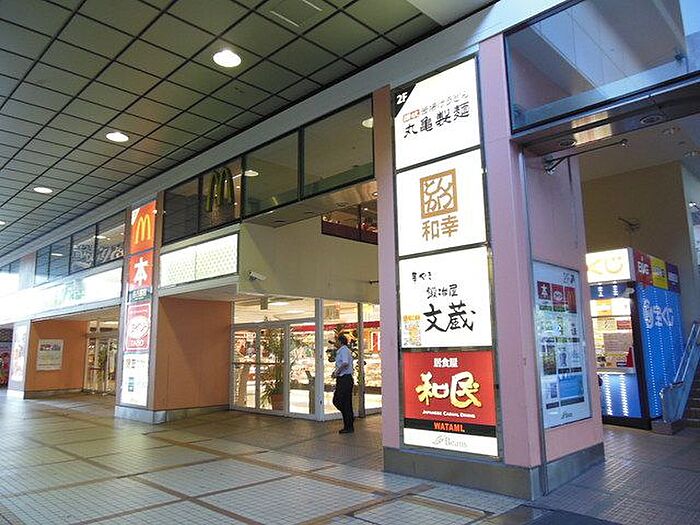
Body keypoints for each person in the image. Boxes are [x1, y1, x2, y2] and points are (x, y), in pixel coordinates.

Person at [332, 334, 354, 434]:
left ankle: (349, 422)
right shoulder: (342, 350)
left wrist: (337, 372)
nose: (335, 343)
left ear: (340, 341)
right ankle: (349, 421)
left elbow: (345, 363)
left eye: (336, 341)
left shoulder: (344, 350)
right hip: (343, 379)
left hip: (345, 379)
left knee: (339, 401)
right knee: (345, 402)